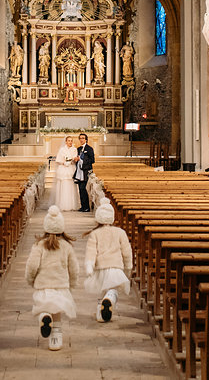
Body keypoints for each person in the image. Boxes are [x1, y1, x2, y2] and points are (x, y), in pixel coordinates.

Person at [25, 205, 79, 351]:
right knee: (57, 312)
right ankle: (55, 340)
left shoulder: (39, 245)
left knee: (44, 306)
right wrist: (73, 283)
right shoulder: (67, 246)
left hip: (43, 285)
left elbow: (32, 266)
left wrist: (30, 279)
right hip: (60, 285)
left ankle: (43, 316)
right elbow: (73, 268)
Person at [84, 198, 133, 322]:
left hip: (101, 267)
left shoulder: (95, 233)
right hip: (115, 267)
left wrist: (89, 265)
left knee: (101, 291)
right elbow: (127, 251)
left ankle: (101, 315)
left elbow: (91, 251)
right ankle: (110, 299)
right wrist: (128, 266)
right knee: (113, 289)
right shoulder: (120, 232)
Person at [53, 136, 81, 211]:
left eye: (71, 141)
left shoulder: (74, 149)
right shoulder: (62, 149)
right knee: (63, 186)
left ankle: (72, 205)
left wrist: (72, 161)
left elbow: (75, 159)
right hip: (63, 168)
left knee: (71, 186)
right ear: (66, 142)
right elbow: (58, 159)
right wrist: (64, 163)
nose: (70, 142)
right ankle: (62, 205)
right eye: (69, 141)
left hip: (71, 168)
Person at [73, 132, 95, 212]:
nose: (81, 140)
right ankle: (82, 206)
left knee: (83, 188)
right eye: (80, 138)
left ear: (86, 139)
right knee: (80, 189)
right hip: (79, 172)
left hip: (85, 171)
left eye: (83, 138)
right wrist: (76, 160)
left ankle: (87, 207)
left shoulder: (89, 149)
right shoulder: (78, 149)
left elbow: (92, 160)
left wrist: (82, 160)